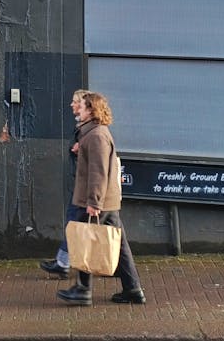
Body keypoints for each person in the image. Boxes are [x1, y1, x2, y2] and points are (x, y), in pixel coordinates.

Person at [57, 92, 146, 306]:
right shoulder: (92, 134)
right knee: (120, 246)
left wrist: (94, 203)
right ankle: (133, 289)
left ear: (92, 111)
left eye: (83, 106)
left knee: (86, 240)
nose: (78, 109)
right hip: (105, 201)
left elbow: (98, 171)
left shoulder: (97, 135)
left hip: (97, 202)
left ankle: (83, 290)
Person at [39, 89, 90, 279]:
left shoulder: (89, 130)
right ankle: (63, 262)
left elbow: (95, 160)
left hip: (84, 185)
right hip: (80, 182)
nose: (71, 104)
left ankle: (65, 265)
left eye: (75, 101)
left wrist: (80, 148)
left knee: (77, 222)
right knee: (77, 222)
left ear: (85, 105)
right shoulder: (81, 127)